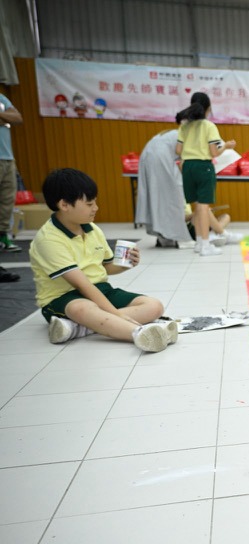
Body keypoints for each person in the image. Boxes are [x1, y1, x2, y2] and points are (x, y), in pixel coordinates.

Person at [29, 169, 177, 352]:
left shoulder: (92, 229)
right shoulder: (49, 239)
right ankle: (140, 333)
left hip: (101, 290)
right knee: (82, 310)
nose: (96, 208)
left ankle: (79, 327)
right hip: (64, 298)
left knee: (154, 306)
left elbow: (106, 267)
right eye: (89, 203)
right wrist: (116, 314)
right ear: (64, 205)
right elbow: (83, 286)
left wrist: (125, 264)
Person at [175, 92, 237, 257]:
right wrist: (227, 146)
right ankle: (205, 245)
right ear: (208, 108)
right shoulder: (209, 126)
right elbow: (214, 152)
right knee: (203, 207)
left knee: (197, 206)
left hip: (187, 167)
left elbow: (178, 150)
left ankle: (198, 243)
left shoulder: (184, 126)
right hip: (203, 166)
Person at [135, 130, 192, 246]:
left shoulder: (171, 134)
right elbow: (183, 162)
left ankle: (163, 236)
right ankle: (179, 238)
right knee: (172, 198)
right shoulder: (189, 136)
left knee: (156, 198)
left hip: (147, 155)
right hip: (160, 157)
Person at [0, 91, 23, 253]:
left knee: (7, 200)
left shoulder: (1, 98)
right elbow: (10, 118)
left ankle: (3, 237)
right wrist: (5, 117)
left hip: (8, 157)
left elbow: (17, 118)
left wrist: (4, 117)